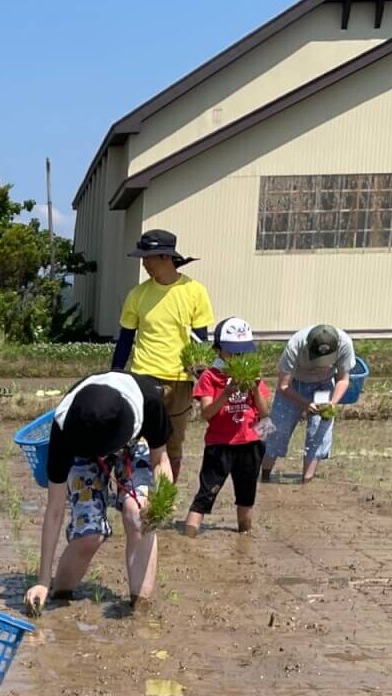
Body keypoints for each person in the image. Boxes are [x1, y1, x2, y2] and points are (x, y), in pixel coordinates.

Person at [24, 371, 174, 613]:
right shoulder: (65, 430)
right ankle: (57, 594)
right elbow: (54, 509)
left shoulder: (149, 402)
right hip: (83, 445)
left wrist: (161, 503)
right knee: (89, 535)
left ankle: (140, 608)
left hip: (131, 443)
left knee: (138, 515)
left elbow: (161, 461)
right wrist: (42, 580)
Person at [111, 230, 213, 482]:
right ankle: (139, 490)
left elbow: (201, 340)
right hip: (144, 378)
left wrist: (204, 379)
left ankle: (165, 495)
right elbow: (125, 340)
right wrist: (114, 375)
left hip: (179, 379)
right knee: (139, 438)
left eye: (148, 258)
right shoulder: (138, 294)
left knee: (173, 443)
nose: (144, 263)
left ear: (166, 256)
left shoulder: (194, 291)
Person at [182, 318, 272, 536]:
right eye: (233, 352)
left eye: (242, 352)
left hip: (250, 442)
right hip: (220, 444)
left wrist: (255, 389)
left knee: (246, 495)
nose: (238, 357)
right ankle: (188, 537)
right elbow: (206, 413)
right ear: (218, 350)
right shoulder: (210, 376)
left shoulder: (252, 374)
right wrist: (226, 394)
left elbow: (265, 413)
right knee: (206, 493)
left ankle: (245, 533)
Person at [262, 323, 355, 484]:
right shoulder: (295, 344)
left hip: (323, 386)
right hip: (294, 385)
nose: (321, 364)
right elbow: (283, 386)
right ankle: (263, 476)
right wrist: (305, 403)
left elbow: (343, 379)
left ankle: (307, 481)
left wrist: (332, 403)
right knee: (277, 430)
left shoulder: (345, 344)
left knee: (319, 432)